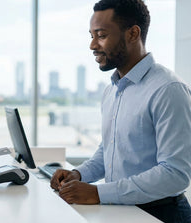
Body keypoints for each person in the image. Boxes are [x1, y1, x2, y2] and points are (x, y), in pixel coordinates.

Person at [50, 0, 191, 222]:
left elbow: (175, 174)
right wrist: (79, 174)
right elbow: (109, 150)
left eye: (101, 35)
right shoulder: (111, 91)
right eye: (91, 36)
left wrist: (98, 193)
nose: (93, 45)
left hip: (161, 213)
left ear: (133, 34)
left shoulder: (168, 90)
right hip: (119, 210)